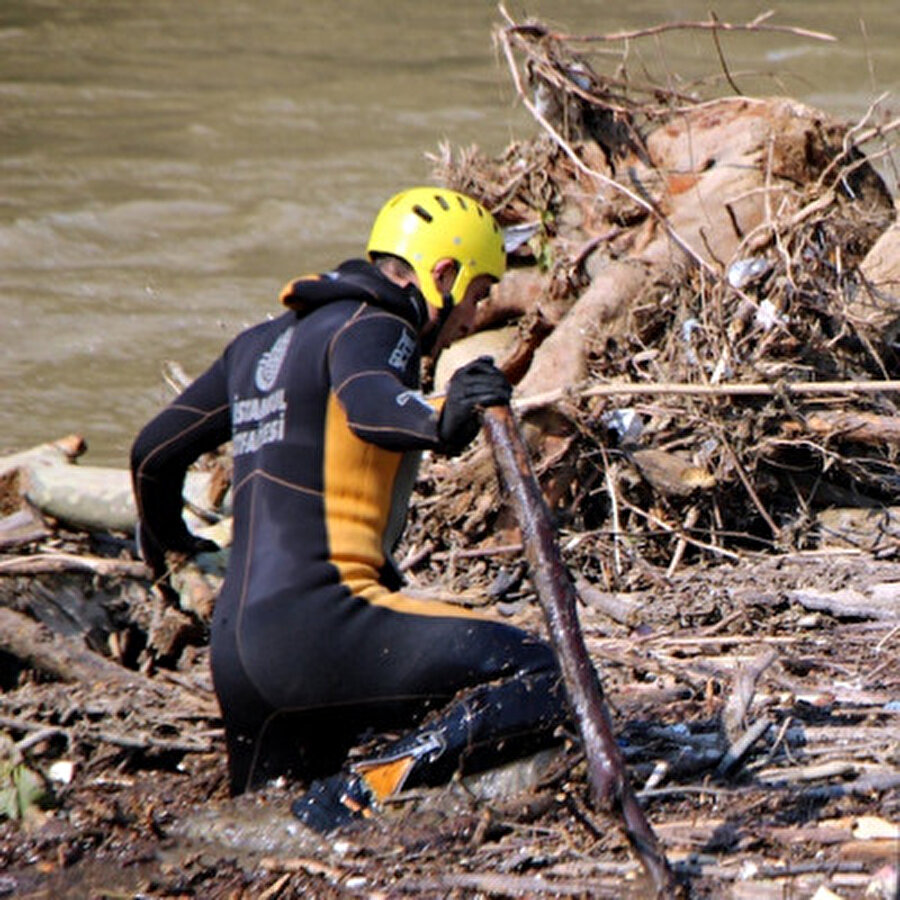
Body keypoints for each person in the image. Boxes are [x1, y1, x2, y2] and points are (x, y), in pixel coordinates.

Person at [131, 186, 568, 833]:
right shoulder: (378, 324)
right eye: (477, 293)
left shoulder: (256, 345)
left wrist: (172, 546)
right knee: (545, 675)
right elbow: (369, 402)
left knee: (268, 828)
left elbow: (150, 454)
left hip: (239, 655)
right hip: (326, 627)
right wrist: (445, 418)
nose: (474, 318)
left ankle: (325, 801)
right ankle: (372, 784)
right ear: (440, 275)